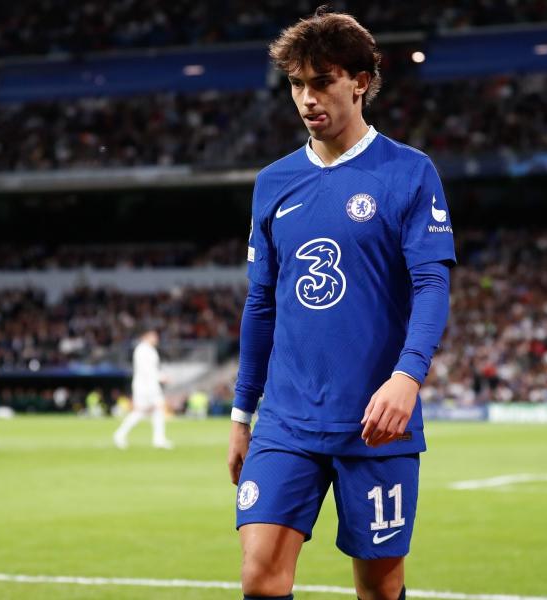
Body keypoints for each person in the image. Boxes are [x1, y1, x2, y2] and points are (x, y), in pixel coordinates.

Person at [227, 9, 455, 600]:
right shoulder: (273, 183)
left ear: (360, 80)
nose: (307, 98)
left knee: (379, 589)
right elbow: (260, 304)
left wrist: (408, 377)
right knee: (259, 578)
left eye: (322, 80)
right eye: (297, 84)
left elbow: (432, 285)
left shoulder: (409, 172)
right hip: (287, 419)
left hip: (376, 422)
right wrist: (241, 415)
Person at [113, 330, 173, 449]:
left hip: (148, 385)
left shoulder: (149, 350)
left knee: (149, 411)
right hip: (146, 386)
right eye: (153, 336)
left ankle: (157, 439)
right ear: (145, 336)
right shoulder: (142, 350)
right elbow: (146, 369)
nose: (156, 338)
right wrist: (161, 377)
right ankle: (158, 439)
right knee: (154, 408)